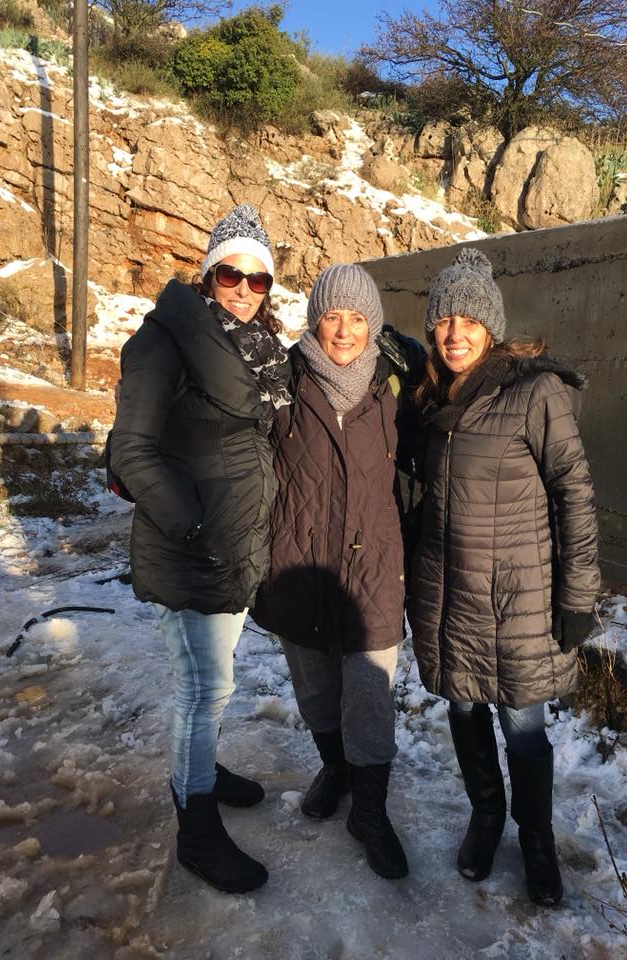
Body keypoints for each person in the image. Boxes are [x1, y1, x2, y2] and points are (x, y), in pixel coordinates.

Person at [409, 247, 600, 906]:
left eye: (469, 321)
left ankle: (536, 840)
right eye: (443, 321)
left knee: (523, 725)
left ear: (490, 328)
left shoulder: (533, 392)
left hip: (519, 598)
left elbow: (574, 493)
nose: (455, 334)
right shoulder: (431, 398)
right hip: (451, 595)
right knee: (464, 708)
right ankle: (486, 815)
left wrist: (578, 595)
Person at [110, 204, 290, 894]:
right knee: (202, 689)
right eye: (230, 274)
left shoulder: (259, 350)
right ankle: (196, 829)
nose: (244, 289)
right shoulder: (164, 341)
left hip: (232, 544)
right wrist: (193, 526)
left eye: (258, 279)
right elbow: (131, 450)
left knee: (216, 682)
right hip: (193, 547)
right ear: (208, 274)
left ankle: (204, 772)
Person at [253, 264, 424, 880]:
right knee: (317, 690)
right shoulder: (283, 382)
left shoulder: (398, 385)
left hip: (374, 565)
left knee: (370, 698)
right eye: (332, 316)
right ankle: (335, 768)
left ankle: (370, 812)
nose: (344, 330)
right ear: (314, 321)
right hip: (300, 565)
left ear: (373, 324)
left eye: (356, 317)